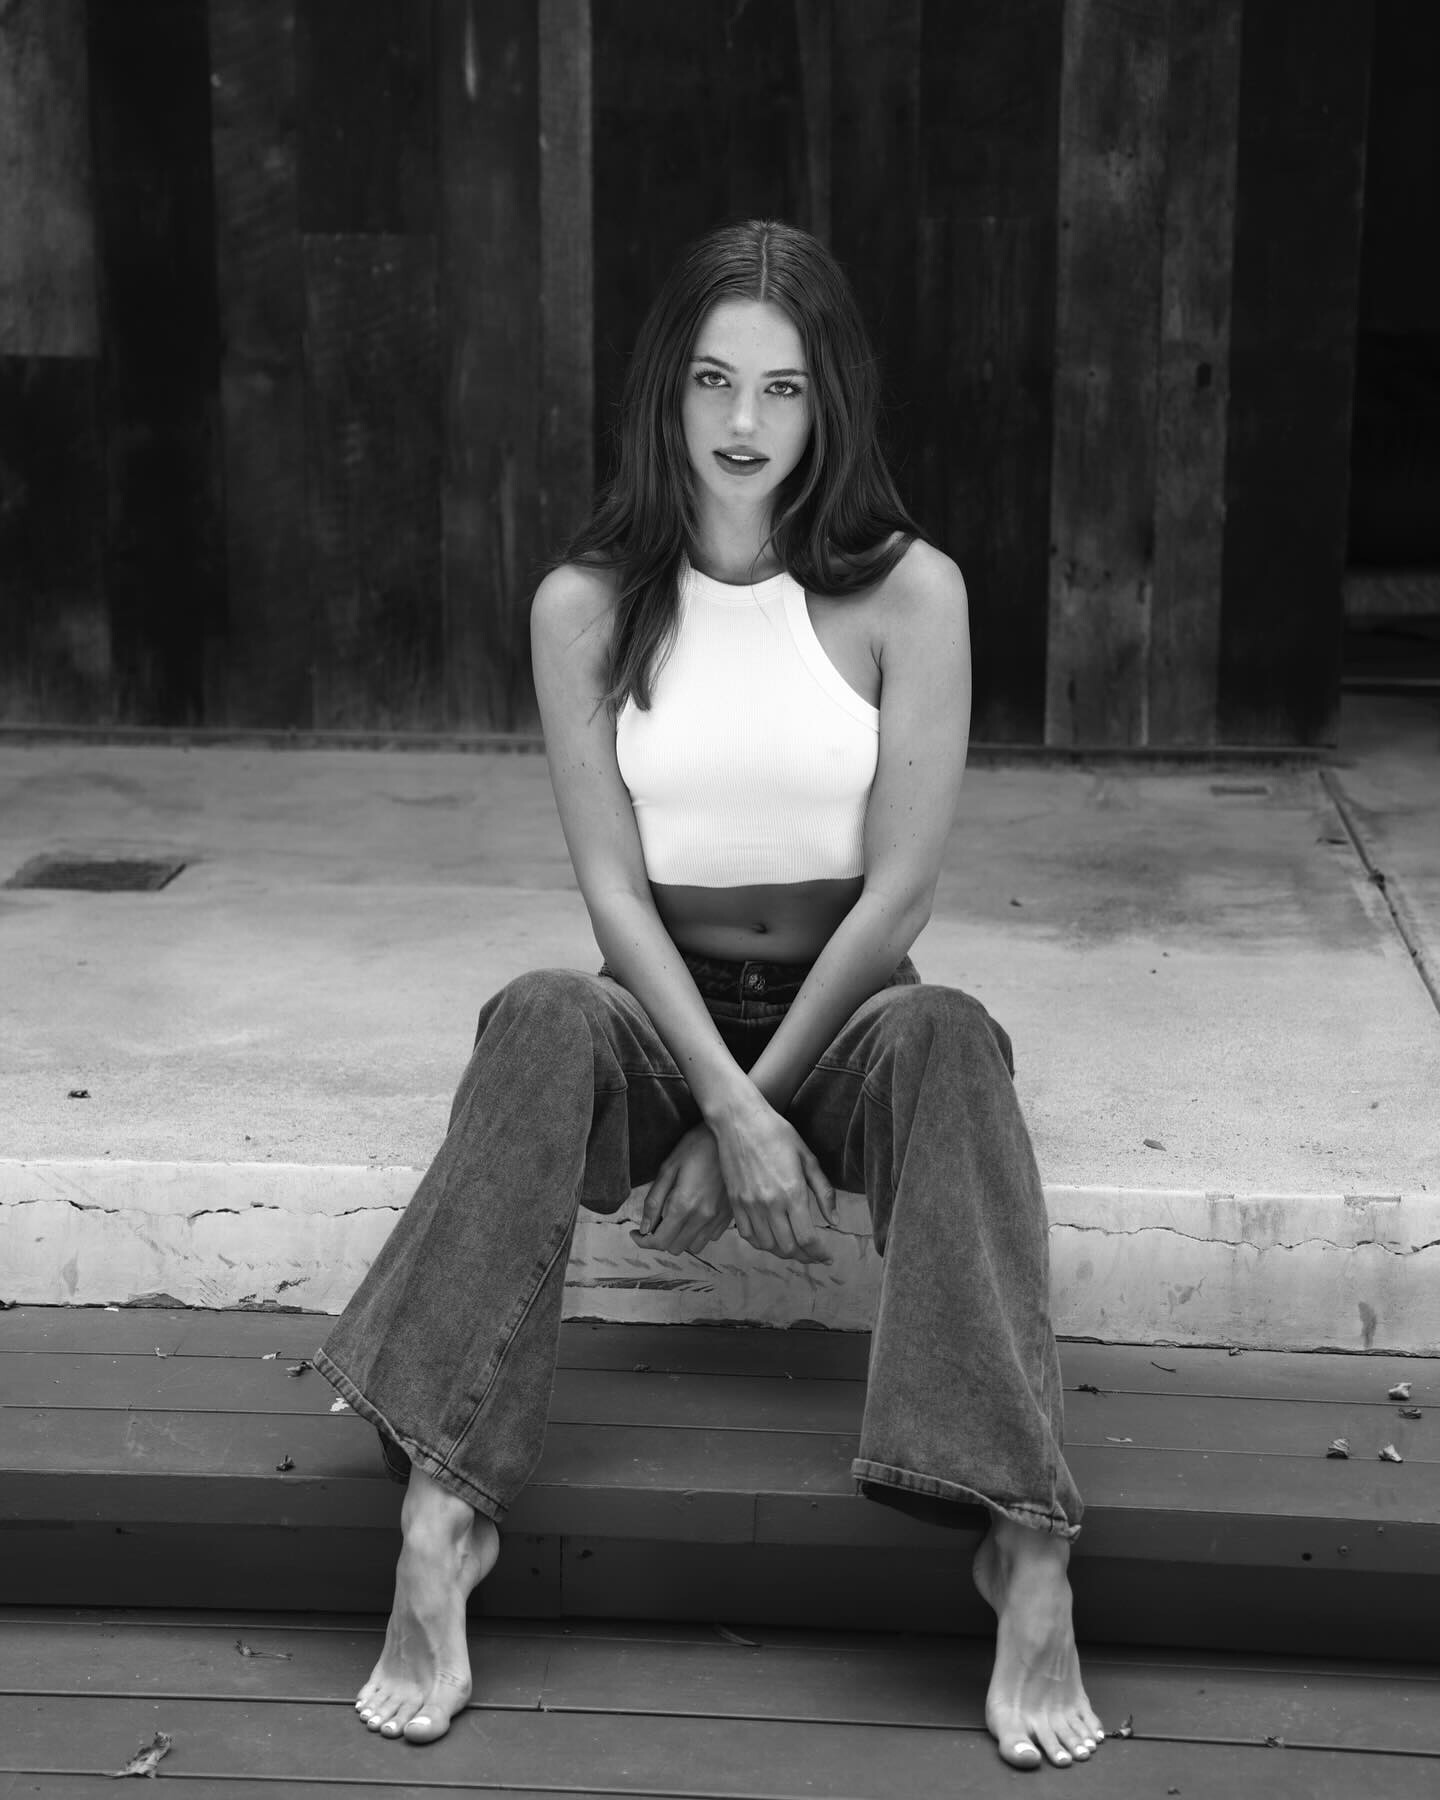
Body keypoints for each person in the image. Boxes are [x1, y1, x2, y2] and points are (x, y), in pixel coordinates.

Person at [315, 218, 1103, 1772]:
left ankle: (1028, 1550)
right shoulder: (584, 605)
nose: (745, 422)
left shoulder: (913, 596)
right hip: (658, 1011)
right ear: (663, 394)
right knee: (539, 1012)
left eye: (784, 388)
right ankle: (441, 1519)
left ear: (831, 402)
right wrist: (716, 1107)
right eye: (712, 381)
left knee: (954, 1038)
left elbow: (901, 898)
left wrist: (748, 1113)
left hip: (850, 1013)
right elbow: (614, 896)